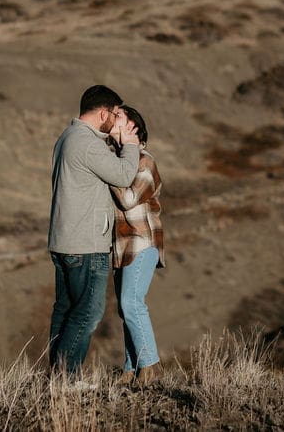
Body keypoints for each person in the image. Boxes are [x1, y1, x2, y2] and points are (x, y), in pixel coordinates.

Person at [48, 85, 140, 376]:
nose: (115, 120)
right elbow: (124, 175)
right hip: (86, 243)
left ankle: (56, 375)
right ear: (103, 112)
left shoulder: (66, 137)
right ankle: (66, 378)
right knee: (87, 312)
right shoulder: (87, 143)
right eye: (114, 114)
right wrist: (132, 145)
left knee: (65, 311)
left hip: (64, 240)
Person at [108, 105, 164, 387]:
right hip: (121, 247)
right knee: (124, 309)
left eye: (118, 116)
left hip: (142, 241)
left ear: (134, 128)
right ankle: (131, 368)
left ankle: (150, 366)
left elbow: (129, 200)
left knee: (132, 303)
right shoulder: (118, 158)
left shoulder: (144, 161)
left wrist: (109, 174)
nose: (111, 119)